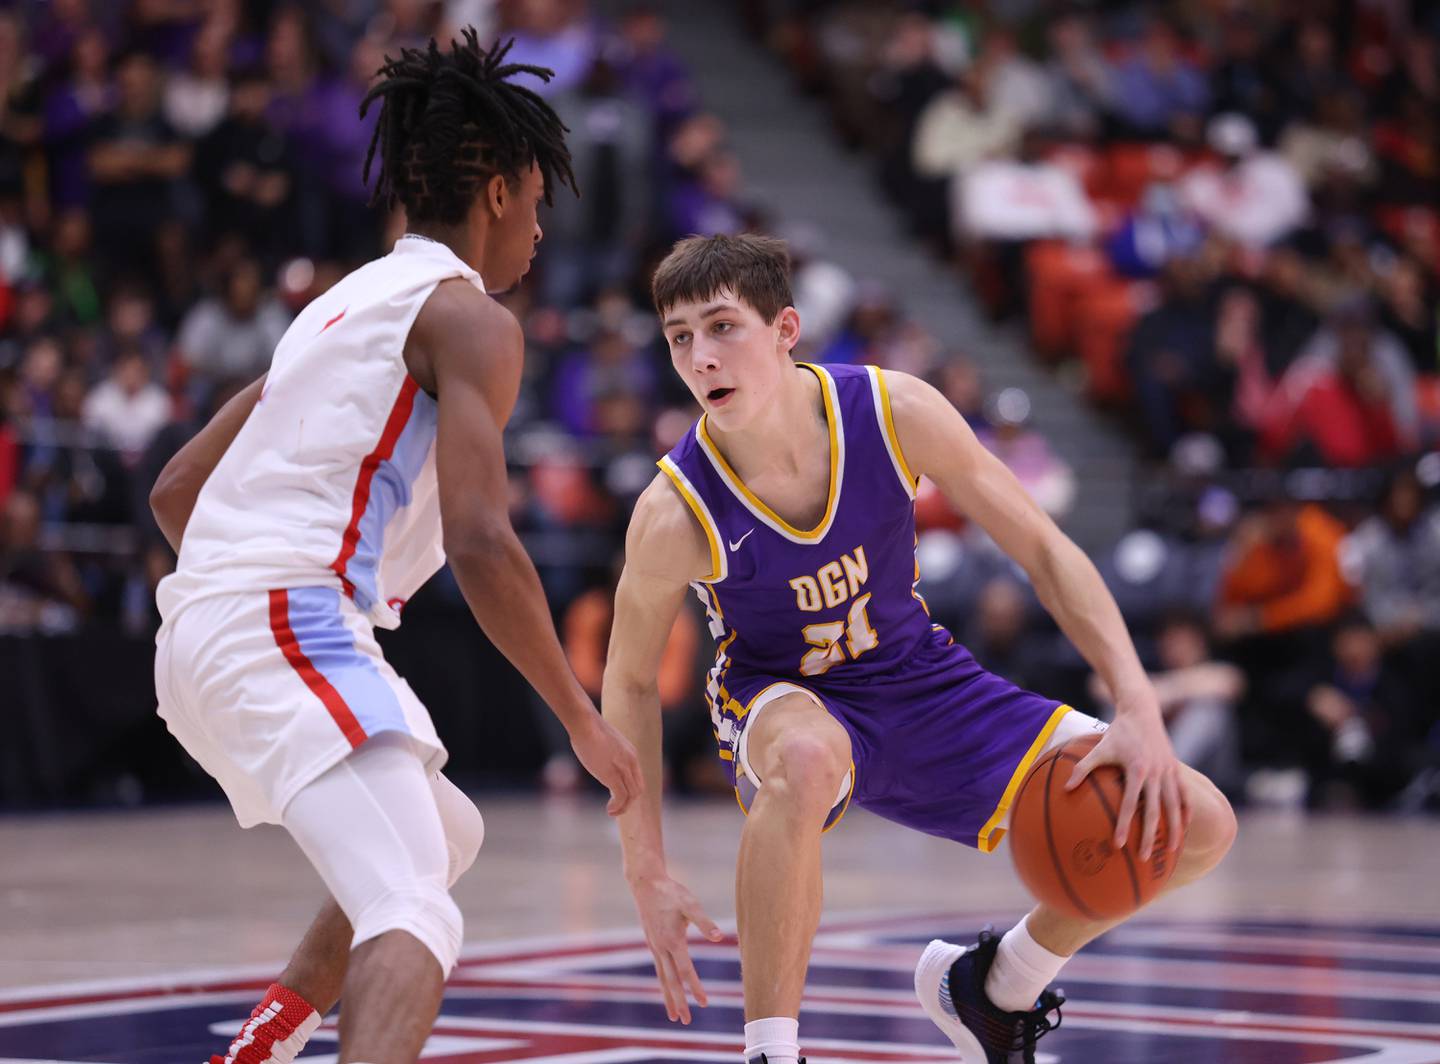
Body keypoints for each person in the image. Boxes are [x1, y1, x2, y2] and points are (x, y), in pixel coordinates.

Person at [602, 234, 1237, 1064]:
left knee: (1195, 825)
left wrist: (1139, 703)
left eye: (722, 327)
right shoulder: (674, 509)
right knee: (803, 757)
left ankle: (997, 986)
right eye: (680, 337)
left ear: (786, 328)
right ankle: (770, 1052)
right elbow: (629, 680)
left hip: (920, 678)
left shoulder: (892, 410)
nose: (699, 356)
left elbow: (1043, 548)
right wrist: (643, 866)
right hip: (782, 694)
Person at [148, 32, 643, 1064]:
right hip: (284, 616)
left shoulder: (330, 312)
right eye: (539, 201)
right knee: (415, 904)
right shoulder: (471, 318)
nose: (544, 230)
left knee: (441, 832)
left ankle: (262, 1043)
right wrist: (579, 716)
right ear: (500, 191)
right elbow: (481, 539)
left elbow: (176, 490)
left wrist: (240, 595)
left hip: (209, 628)